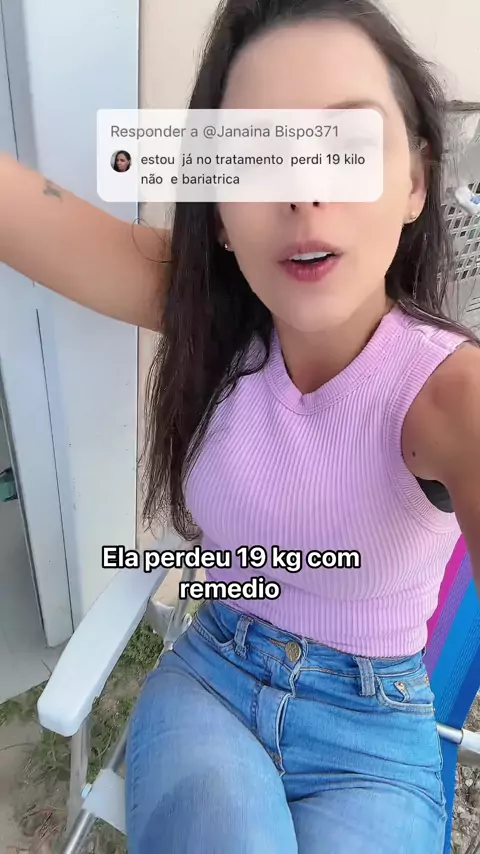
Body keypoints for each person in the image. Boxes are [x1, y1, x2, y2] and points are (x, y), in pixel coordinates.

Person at [1, 0, 480, 851]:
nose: (305, 194)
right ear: (219, 213)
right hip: (213, 682)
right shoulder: (214, 317)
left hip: (376, 738)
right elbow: (31, 216)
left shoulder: (448, 392)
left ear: (415, 180)